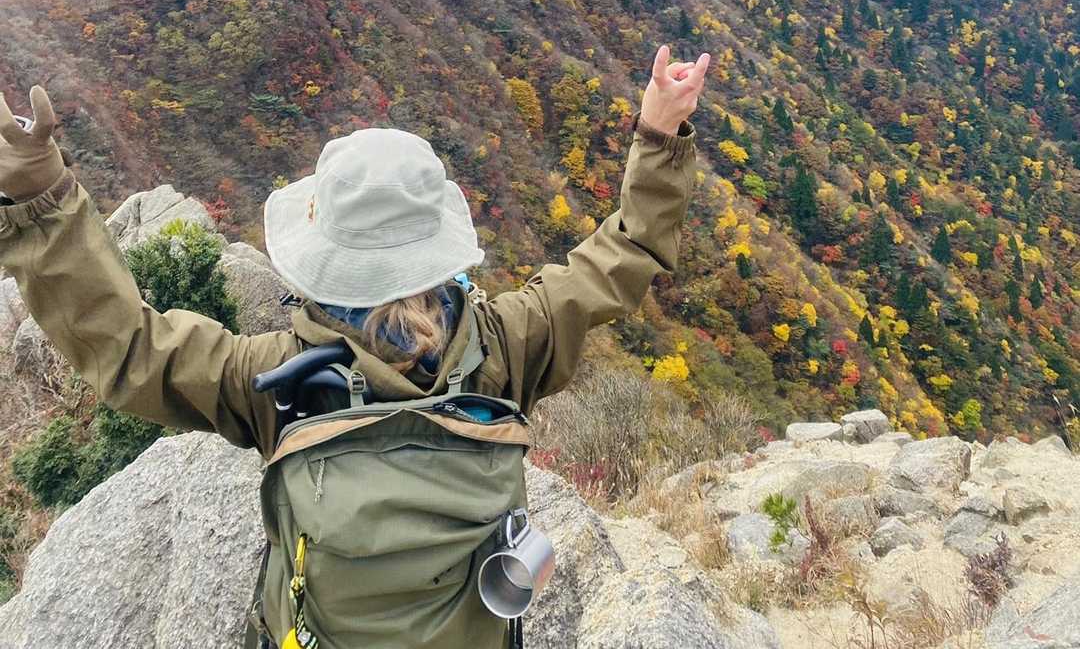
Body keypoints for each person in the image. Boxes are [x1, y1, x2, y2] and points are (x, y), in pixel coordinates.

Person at [0, 44, 709, 647]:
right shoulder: (505, 346)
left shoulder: (274, 381)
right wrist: (659, 132)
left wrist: (43, 202)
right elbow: (621, 258)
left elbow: (131, 348)